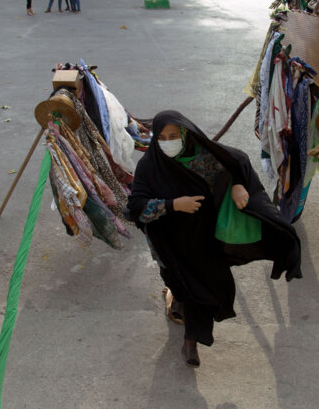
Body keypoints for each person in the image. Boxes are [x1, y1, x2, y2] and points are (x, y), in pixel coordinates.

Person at [127, 111, 302, 368]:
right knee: (176, 278)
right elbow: (135, 208)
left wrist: (238, 184)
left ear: (185, 134)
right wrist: (173, 205)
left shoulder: (202, 155)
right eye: (162, 137)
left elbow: (237, 161)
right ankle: (177, 298)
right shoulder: (149, 165)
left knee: (200, 284)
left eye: (174, 135)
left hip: (202, 236)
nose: (168, 141)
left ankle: (191, 342)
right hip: (167, 241)